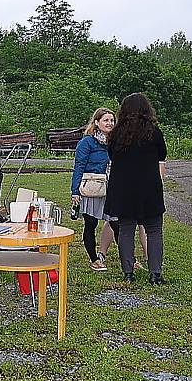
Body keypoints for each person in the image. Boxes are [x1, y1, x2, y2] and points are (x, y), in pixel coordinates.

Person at [105, 93, 168, 284]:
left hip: (123, 189)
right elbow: (162, 154)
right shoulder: (153, 132)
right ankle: (155, 273)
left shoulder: (116, 133)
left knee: (126, 229)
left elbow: (111, 156)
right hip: (149, 187)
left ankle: (128, 273)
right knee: (154, 230)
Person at [71, 107, 119, 271]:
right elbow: (79, 166)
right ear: (97, 122)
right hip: (92, 187)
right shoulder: (87, 142)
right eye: (106, 120)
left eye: (112, 120)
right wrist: (75, 191)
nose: (110, 123)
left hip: (112, 187)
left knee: (117, 223)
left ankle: (128, 259)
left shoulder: (116, 142)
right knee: (90, 223)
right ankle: (94, 260)